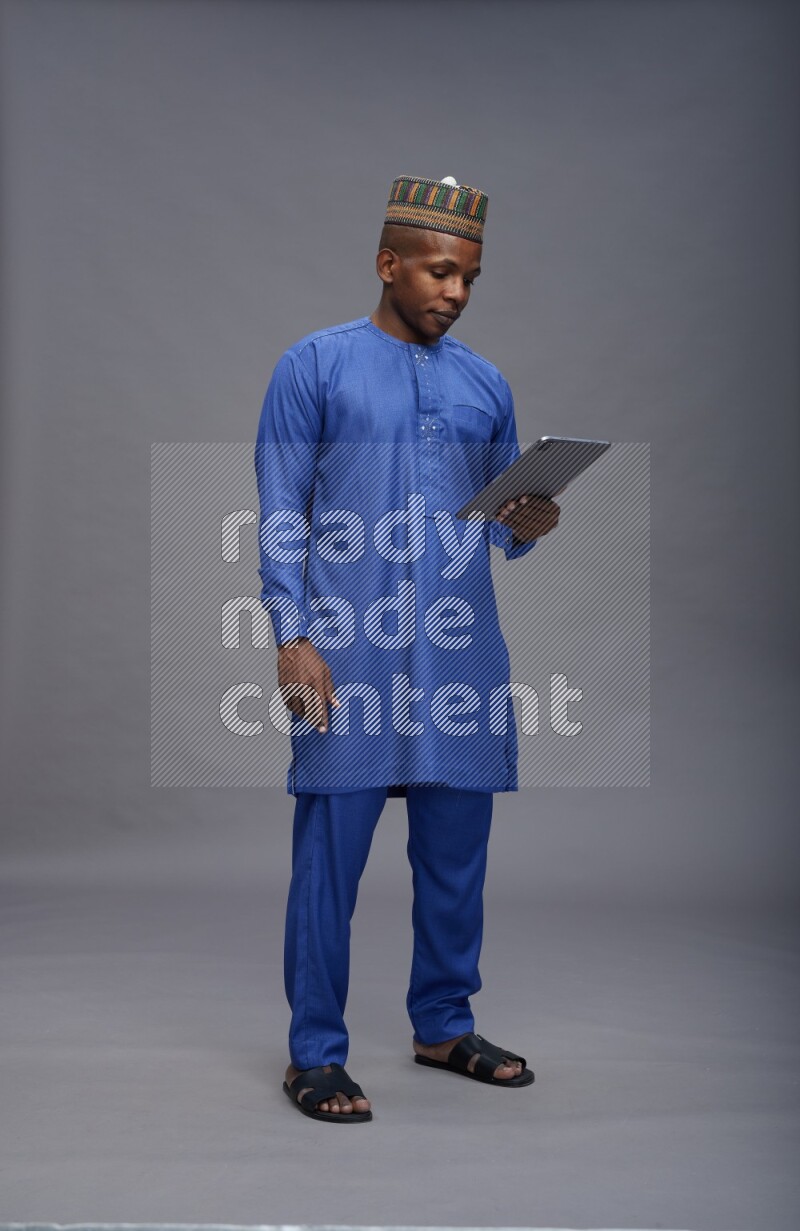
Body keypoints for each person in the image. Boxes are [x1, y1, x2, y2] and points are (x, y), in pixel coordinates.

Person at [255, 174, 560, 1123]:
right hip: (349, 650)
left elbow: (503, 528)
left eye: (468, 278)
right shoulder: (315, 365)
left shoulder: (485, 382)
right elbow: (280, 512)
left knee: (456, 856)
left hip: (459, 655)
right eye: (437, 272)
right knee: (330, 862)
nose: (454, 293)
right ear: (389, 265)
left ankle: (442, 1023)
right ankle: (314, 1052)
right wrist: (292, 635)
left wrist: (535, 518)